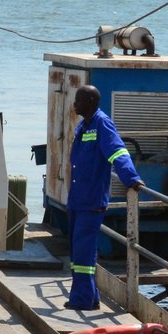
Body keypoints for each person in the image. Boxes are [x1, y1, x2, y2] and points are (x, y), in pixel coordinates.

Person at [65, 84, 141, 311]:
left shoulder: (102, 124)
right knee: (78, 252)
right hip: (77, 200)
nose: (74, 104)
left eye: (78, 100)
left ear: (90, 102)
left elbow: (118, 152)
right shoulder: (83, 126)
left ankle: (82, 300)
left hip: (91, 201)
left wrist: (131, 178)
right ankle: (91, 296)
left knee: (83, 253)